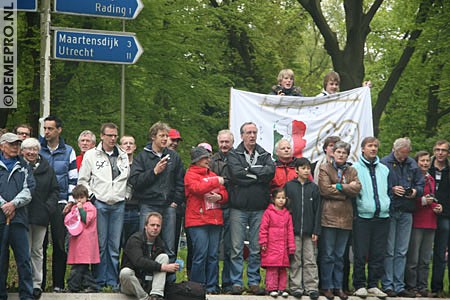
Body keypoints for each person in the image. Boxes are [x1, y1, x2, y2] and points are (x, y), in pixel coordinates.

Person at [129, 122, 184, 282]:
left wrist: (176, 201)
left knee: (169, 244)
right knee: (146, 242)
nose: (165, 139)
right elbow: (135, 181)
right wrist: (154, 172)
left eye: (167, 136)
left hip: (168, 206)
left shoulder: (174, 157)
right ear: (153, 137)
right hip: (148, 204)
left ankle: (169, 281)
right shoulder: (143, 156)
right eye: (162, 136)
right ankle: (145, 278)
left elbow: (181, 181)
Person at [78, 123, 129, 290]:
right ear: (102, 136)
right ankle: (99, 280)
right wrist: (92, 196)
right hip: (100, 202)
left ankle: (113, 281)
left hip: (119, 203)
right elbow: (83, 180)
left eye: (115, 135)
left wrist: (126, 194)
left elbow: (129, 179)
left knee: (114, 246)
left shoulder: (123, 155)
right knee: (100, 244)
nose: (113, 138)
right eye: (109, 135)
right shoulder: (92, 155)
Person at [227, 122, 275, 295]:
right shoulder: (234, 154)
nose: (252, 136)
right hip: (238, 208)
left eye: (254, 132)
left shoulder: (264, 153)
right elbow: (237, 174)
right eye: (248, 132)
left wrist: (249, 172)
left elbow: (270, 172)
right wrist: (257, 175)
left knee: (256, 247)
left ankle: (254, 281)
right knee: (236, 248)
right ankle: (236, 282)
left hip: (259, 208)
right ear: (242, 135)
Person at [380, 137, 424, 298]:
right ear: (394, 149)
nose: (403, 157)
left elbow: (420, 185)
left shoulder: (412, 164)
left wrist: (414, 192)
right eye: (401, 153)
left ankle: (399, 285)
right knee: (389, 250)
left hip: (407, 210)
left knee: (402, 250)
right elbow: (378, 185)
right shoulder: (384, 163)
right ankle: (387, 284)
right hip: (391, 209)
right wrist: (392, 189)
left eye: (406, 153)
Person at [318, 141, 361, 300]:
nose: (341, 155)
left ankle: (338, 287)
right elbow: (325, 189)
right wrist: (346, 189)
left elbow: (357, 189)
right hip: (329, 216)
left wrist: (340, 187)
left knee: (340, 255)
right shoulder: (325, 168)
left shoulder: (352, 170)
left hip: (346, 217)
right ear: (333, 153)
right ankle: (326, 286)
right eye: (339, 152)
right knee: (328, 254)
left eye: (344, 153)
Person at [40, 115, 78, 292]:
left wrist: (70, 201)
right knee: (39, 245)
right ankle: (38, 284)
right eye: (45, 128)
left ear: (59, 130)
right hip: (40, 204)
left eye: (50, 128)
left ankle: (58, 284)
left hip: (61, 203)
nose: (46, 132)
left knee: (59, 245)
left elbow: (73, 178)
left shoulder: (68, 151)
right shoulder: (38, 149)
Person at [184, 146, 228, 294]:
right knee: (200, 254)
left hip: (215, 219)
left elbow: (225, 193)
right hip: (197, 220)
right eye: (205, 158)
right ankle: (197, 286)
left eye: (209, 157)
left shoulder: (213, 174)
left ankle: (212, 286)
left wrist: (220, 197)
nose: (208, 160)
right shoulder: (190, 174)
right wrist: (216, 181)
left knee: (213, 255)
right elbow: (198, 188)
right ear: (197, 160)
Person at [352, 137, 390, 299]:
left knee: (378, 253)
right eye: (370, 146)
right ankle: (359, 284)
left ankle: (373, 284)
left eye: (375, 146)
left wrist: (388, 204)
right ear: (363, 149)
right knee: (361, 252)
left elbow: (389, 190)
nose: (373, 149)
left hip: (382, 216)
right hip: (362, 216)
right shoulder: (354, 168)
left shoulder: (384, 169)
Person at [21, 138, 59, 299]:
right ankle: (26, 283)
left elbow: (55, 190)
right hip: (22, 215)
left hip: (41, 216)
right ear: (22, 151)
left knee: (38, 251)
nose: (31, 152)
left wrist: (48, 208)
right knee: (24, 251)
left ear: (38, 151)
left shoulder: (47, 168)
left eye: (34, 149)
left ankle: (37, 284)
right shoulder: (19, 167)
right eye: (28, 149)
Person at [0, 133, 34, 300]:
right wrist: (3, 205)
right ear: (2, 146)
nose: (15, 147)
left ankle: (26, 295)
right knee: (0, 259)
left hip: (19, 219)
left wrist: (13, 204)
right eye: (12, 144)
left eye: (17, 144)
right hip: (0, 220)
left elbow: (29, 190)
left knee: (24, 259)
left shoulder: (25, 166)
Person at [405, 151, 442, 297]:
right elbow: (410, 198)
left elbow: (433, 198)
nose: (425, 163)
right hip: (417, 220)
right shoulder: (413, 177)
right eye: (422, 161)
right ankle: (411, 286)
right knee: (413, 258)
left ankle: (423, 287)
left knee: (425, 259)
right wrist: (422, 201)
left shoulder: (431, 179)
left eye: (427, 161)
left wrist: (438, 207)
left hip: (431, 221)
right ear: (417, 162)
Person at [120, 212, 180, 300]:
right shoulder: (135, 239)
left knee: (164, 257)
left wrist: (171, 269)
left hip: (148, 283)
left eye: (158, 226)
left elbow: (160, 270)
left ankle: (156, 295)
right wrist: (162, 267)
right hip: (132, 284)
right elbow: (138, 262)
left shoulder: (160, 243)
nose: (155, 228)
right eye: (152, 225)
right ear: (145, 226)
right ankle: (145, 298)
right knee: (125, 272)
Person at [285, 158, 321, 300]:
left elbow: (318, 211)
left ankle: (311, 287)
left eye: (308, 168)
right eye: (303, 168)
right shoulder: (289, 186)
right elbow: (285, 209)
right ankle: (296, 287)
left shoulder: (314, 188)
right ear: (297, 170)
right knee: (295, 259)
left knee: (310, 259)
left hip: (309, 231)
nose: (306, 171)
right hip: (293, 231)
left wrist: (316, 230)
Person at [209, 129, 234, 293]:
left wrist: (223, 182)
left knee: (231, 248)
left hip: (232, 206)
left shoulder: (237, 159)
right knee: (214, 249)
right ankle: (212, 284)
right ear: (218, 142)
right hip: (214, 207)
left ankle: (228, 283)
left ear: (232, 143)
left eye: (227, 142)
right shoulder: (211, 161)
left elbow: (238, 179)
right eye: (222, 142)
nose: (224, 145)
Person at [259, 188, 295, 298]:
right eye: (278, 198)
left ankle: (282, 288)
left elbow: (290, 231)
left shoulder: (287, 214)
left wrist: (291, 246)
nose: (281, 200)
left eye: (283, 198)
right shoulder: (268, 213)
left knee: (282, 269)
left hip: (283, 246)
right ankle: (271, 288)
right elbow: (263, 229)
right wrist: (263, 242)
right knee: (272, 268)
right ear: (273, 199)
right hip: (271, 245)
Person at [64, 184, 99, 293]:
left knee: (79, 266)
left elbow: (86, 220)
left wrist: (81, 210)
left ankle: (73, 286)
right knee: (81, 266)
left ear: (87, 197)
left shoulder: (90, 208)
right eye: (77, 198)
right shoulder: (74, 208)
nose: (79, 200)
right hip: (76, 241)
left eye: (82, 197)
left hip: (86, 242)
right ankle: (90, 285)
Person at [430, 140, 450, 297]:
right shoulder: (425, 168)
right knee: (420, 253)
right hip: (425, 213)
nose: (440, 152)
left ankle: (439, 288)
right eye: (437, 149)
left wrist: (444, 208)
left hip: (445, 215)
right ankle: (426, 287)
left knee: (441, 251)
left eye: (443, 150)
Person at [120, 135, 140, 249]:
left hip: (135, 209)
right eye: (125, 143)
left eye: (131, 143)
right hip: (119, 207)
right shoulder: (115, 165)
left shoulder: (140, 165)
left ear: (135, 147)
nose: (128, 145)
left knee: (133, 244)